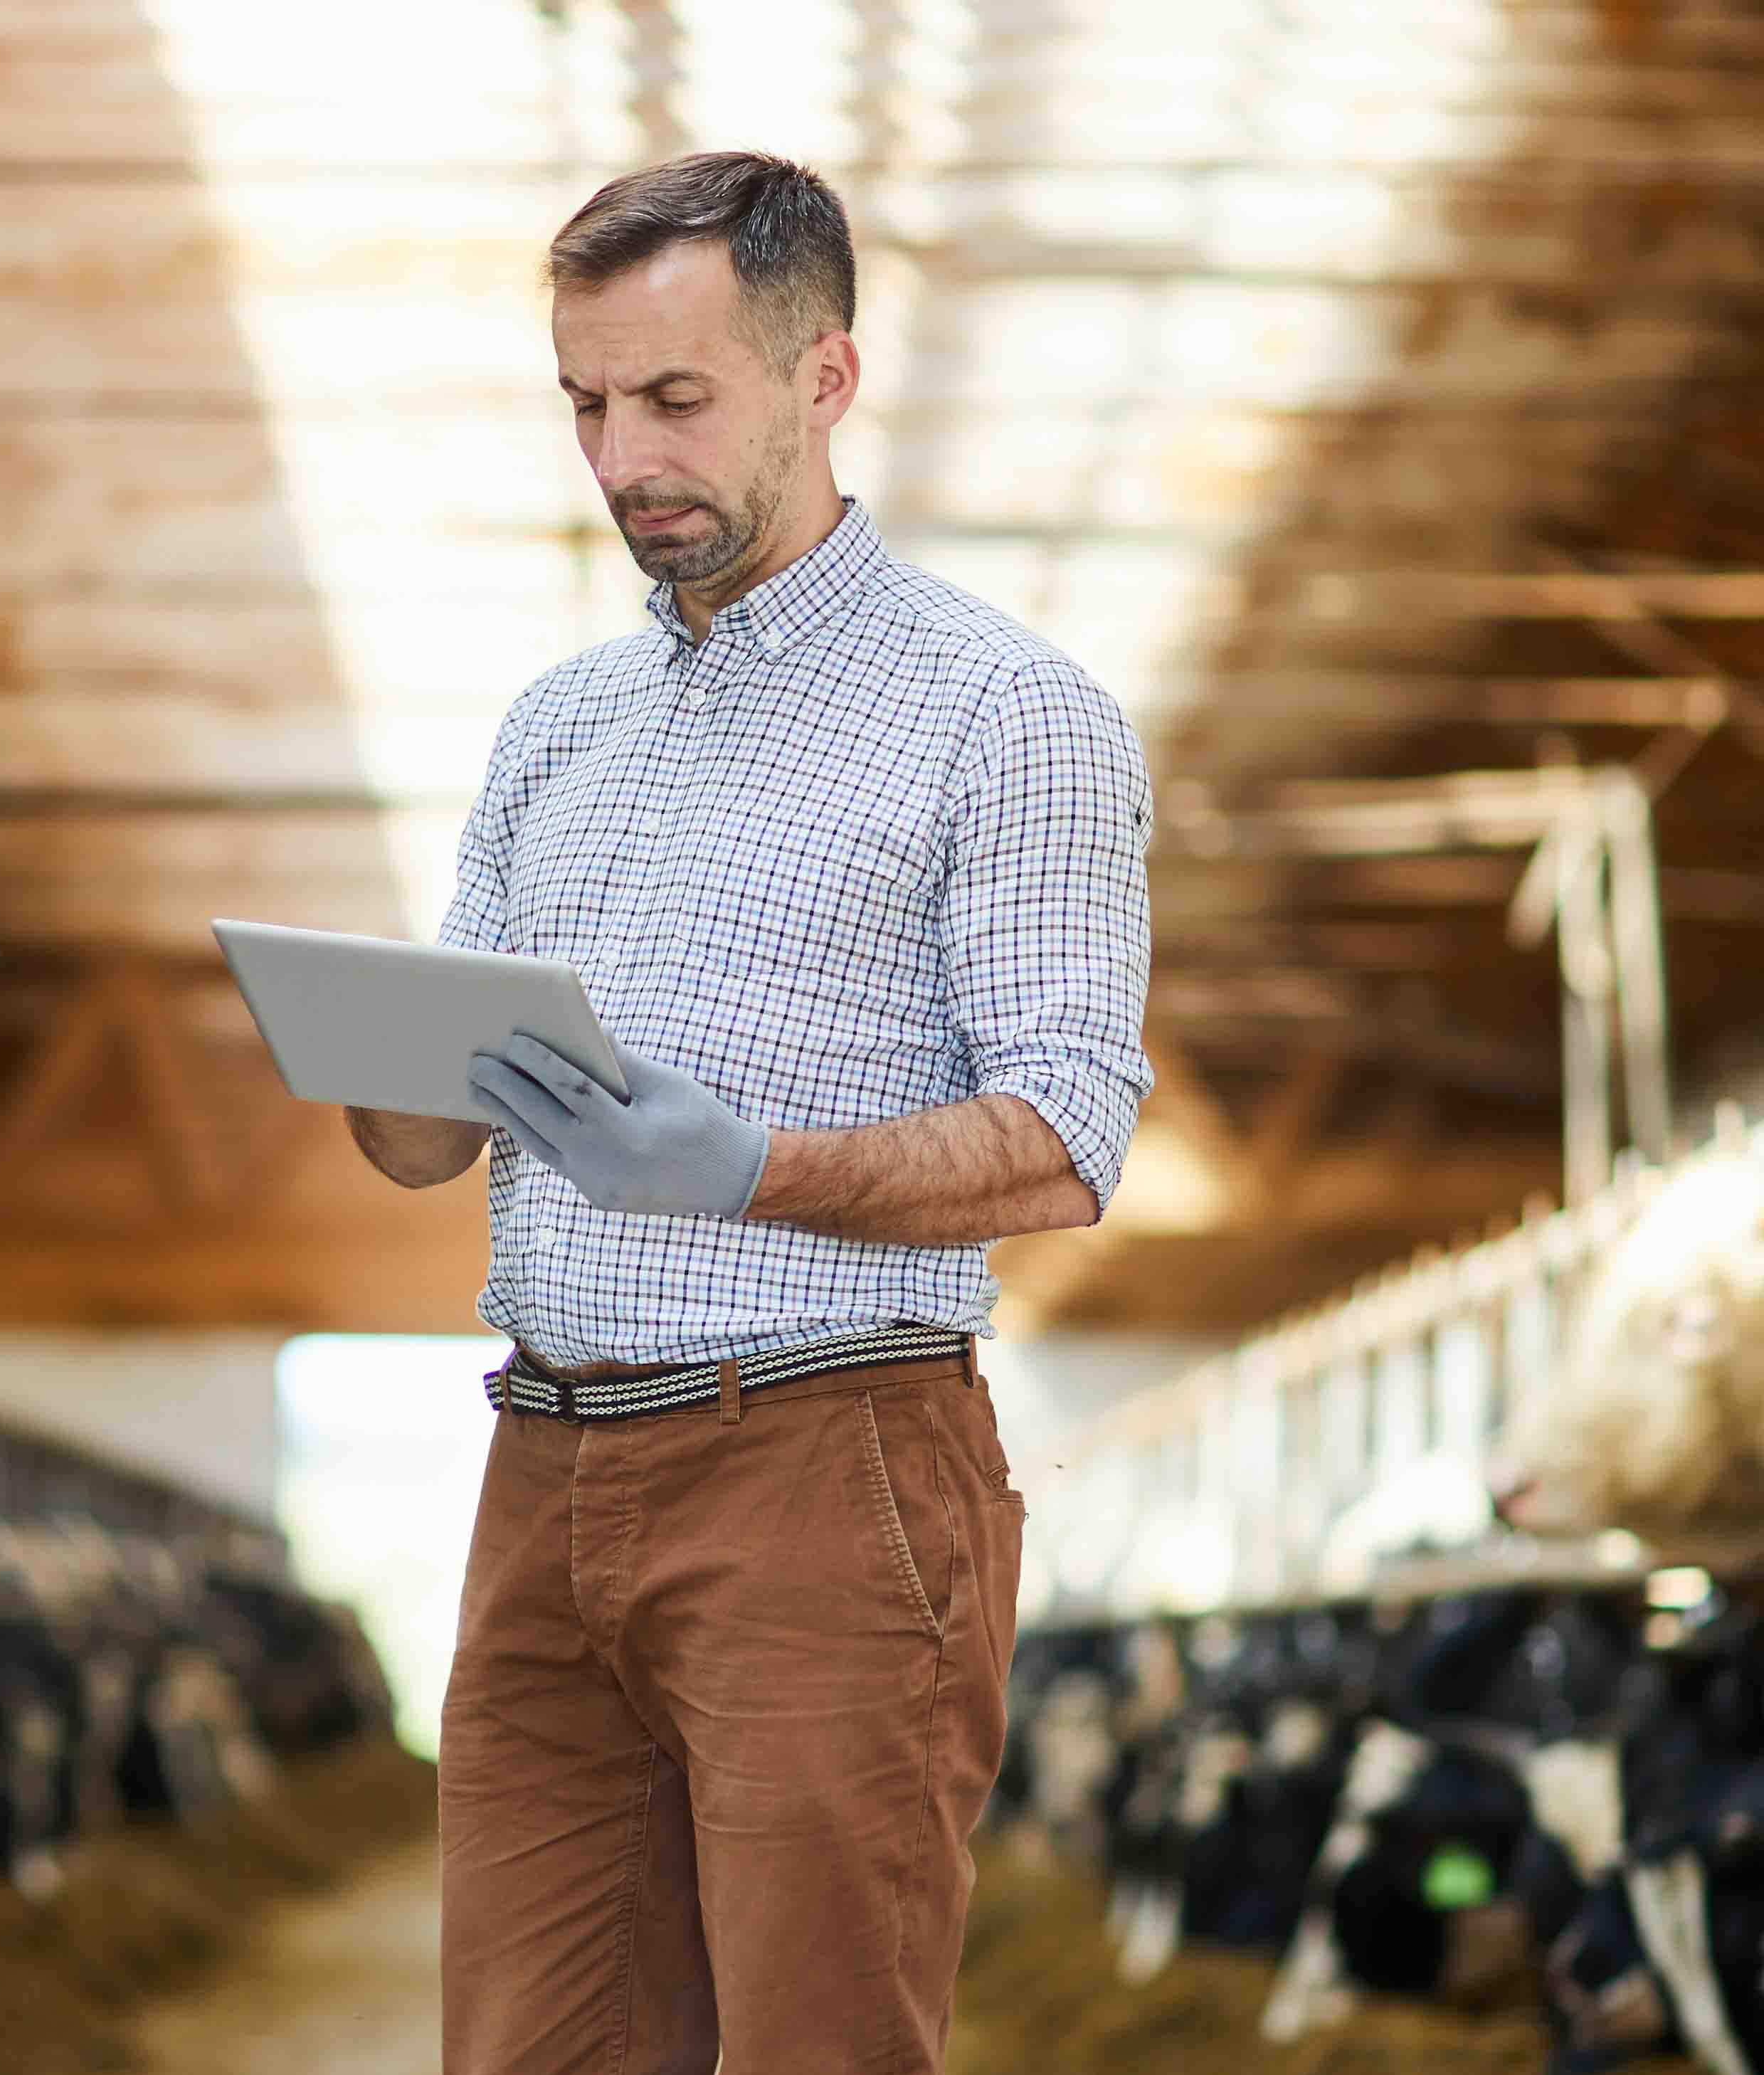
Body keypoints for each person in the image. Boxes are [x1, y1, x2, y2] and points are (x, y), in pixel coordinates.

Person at [343, 151, 1154, 2074]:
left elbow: (1066, 1127)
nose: (625, 459)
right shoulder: (559, 724)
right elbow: (424, 1130)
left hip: (824, 1467)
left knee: (810, 2046)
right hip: (540, 1464)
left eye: (676, 399)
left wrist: (757, 1170)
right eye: (588, 405)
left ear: (823, 378)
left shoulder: (1000, 709)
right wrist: (364, 1054)